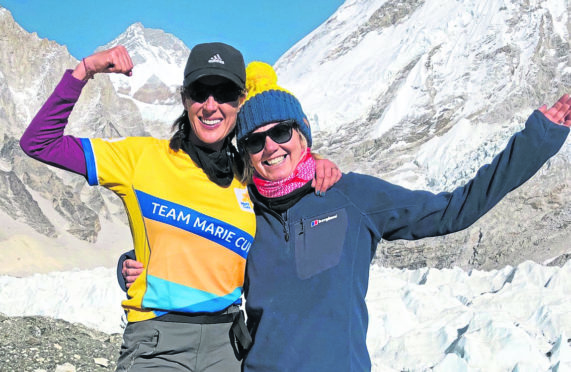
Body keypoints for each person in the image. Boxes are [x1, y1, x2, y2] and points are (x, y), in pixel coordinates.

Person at [121, 61, 570, 370]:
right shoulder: (242, 212)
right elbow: (193, 249)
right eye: (255, 141)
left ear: (302, 135)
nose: (271, 147)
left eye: (280, 132)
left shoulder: (351, 196)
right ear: (246, 154)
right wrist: (134, 262)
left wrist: (537, 141)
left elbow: (455, 210)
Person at [19, 44, 340, 372]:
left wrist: (315, 162)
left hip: (227, 346)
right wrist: (85, 69)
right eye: (200, 92)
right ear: (185, 99)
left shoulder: (248, 174)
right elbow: (39, 142)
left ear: (240, 102)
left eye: (225, 93)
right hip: (158, 341)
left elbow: (286, 199)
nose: (211, 106)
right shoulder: (140, 158)